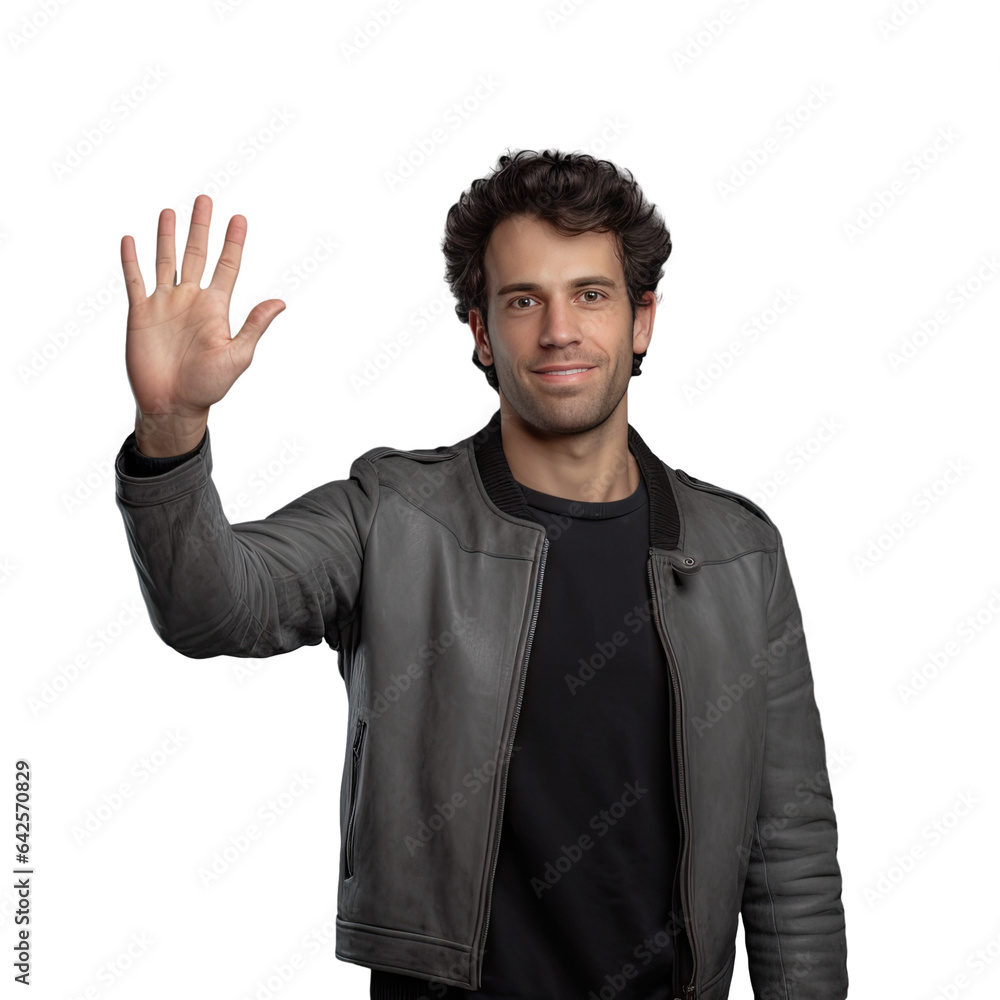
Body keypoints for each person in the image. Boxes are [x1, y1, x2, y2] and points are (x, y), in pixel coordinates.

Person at [115, 149, 848, 1000]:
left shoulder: (737, 553)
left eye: (591, 294)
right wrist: (171, 429)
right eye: (524, 300)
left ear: (642, 319)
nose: (560, 329)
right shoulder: (392, 517)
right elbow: (210, 608)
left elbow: (789, 845)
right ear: (481, 331)